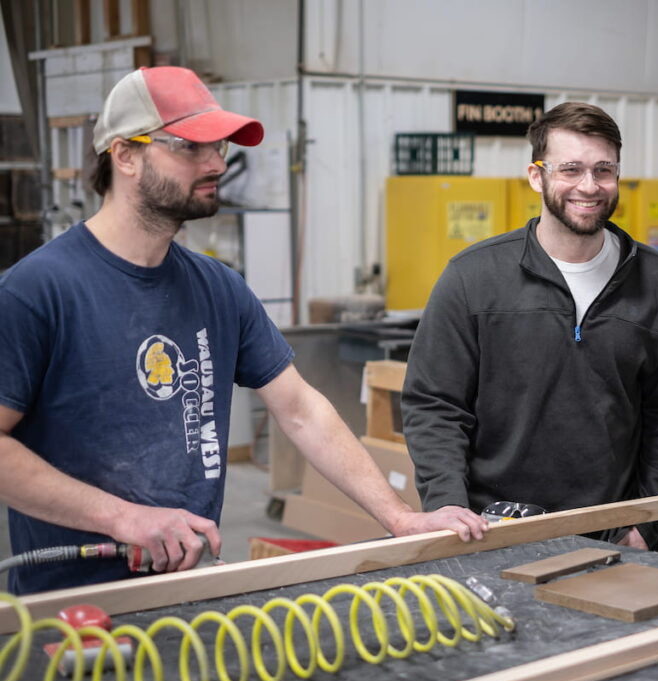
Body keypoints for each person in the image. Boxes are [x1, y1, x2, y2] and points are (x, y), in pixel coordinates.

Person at [0, 66, 487, 595]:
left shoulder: (218, 287)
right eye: (191, 146)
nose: (215, 163)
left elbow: (300, 410)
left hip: (191, 591)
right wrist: (124, 518)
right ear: (125, 156)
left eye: (220, 146)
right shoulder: (36, 291)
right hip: (72, 607)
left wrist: (399, 517)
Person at [401, 102, 658, 549]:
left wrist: (645, 522)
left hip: (609, 536)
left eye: (604, 170)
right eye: (571, 169)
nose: (589, 186)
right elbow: (434, 404)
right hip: (490, 531)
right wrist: (447, 505)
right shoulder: (472, 278)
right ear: (537, 176)